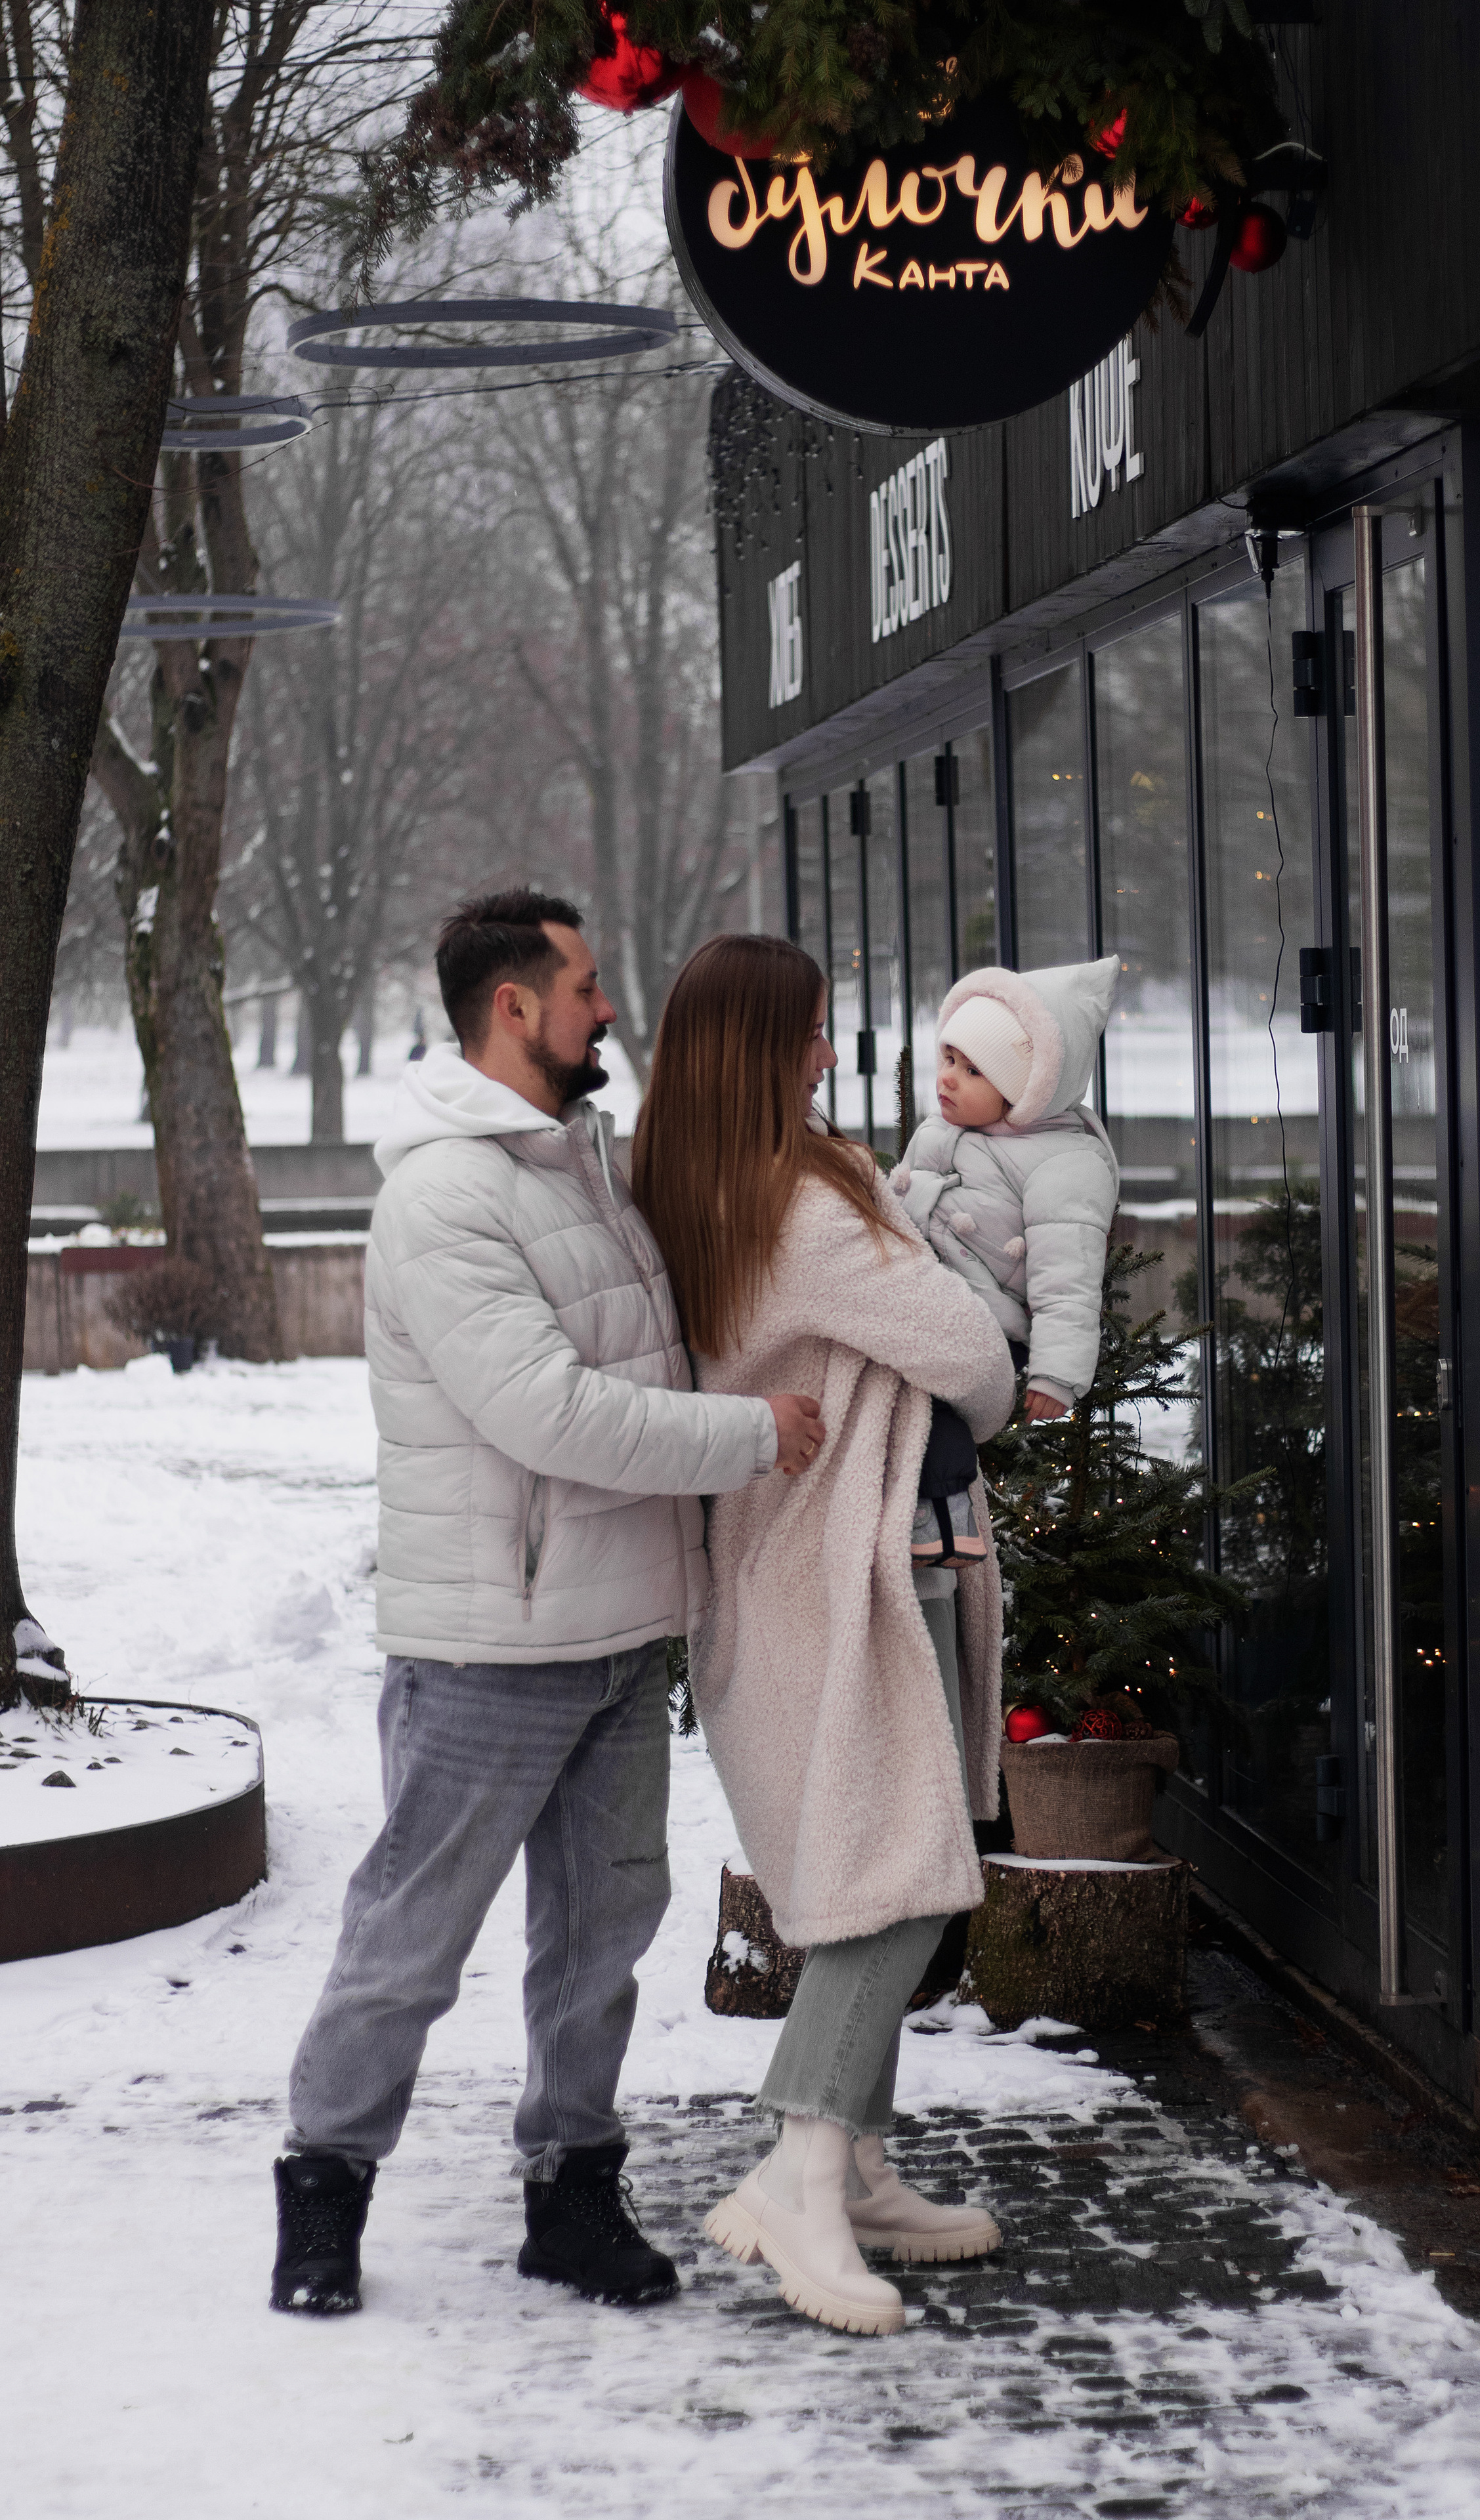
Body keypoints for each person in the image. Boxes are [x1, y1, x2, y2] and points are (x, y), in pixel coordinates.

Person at [271, 891, 827, 2320]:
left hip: (620, 1635)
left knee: (599, 1944)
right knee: (410, 1943)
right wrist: (756, 1434)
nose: (607, 1007)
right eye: (584, 985)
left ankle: (572, 2195)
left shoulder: (583, 1168)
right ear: (513, 1007)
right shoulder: (444, 1199)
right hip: (489, 1651)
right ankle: (323, 2191)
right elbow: (551, 1414)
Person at [633, 933, 1017, 2339]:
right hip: (849, 1574)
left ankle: (851, 2166)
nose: (822, 1052)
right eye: (807, 1030)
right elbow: (971, 1355)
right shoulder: (800, 1202)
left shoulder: (692, 1187)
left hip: (784, 1573)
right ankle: (801, 2169)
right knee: (901, 1874)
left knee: (876, 1862)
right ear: (760, 1048)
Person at [888, 959, 1122, 1566]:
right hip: (928, 1294)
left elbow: (1068, 1278)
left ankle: (945, 1514)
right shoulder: (937, 1133)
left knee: (930, 1398)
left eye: (973, 1070)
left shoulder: (1063, 1161)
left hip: (992, 1321)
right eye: (948, 1058)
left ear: (1026, 1089)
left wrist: (1056, 1374)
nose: (948, 1079)